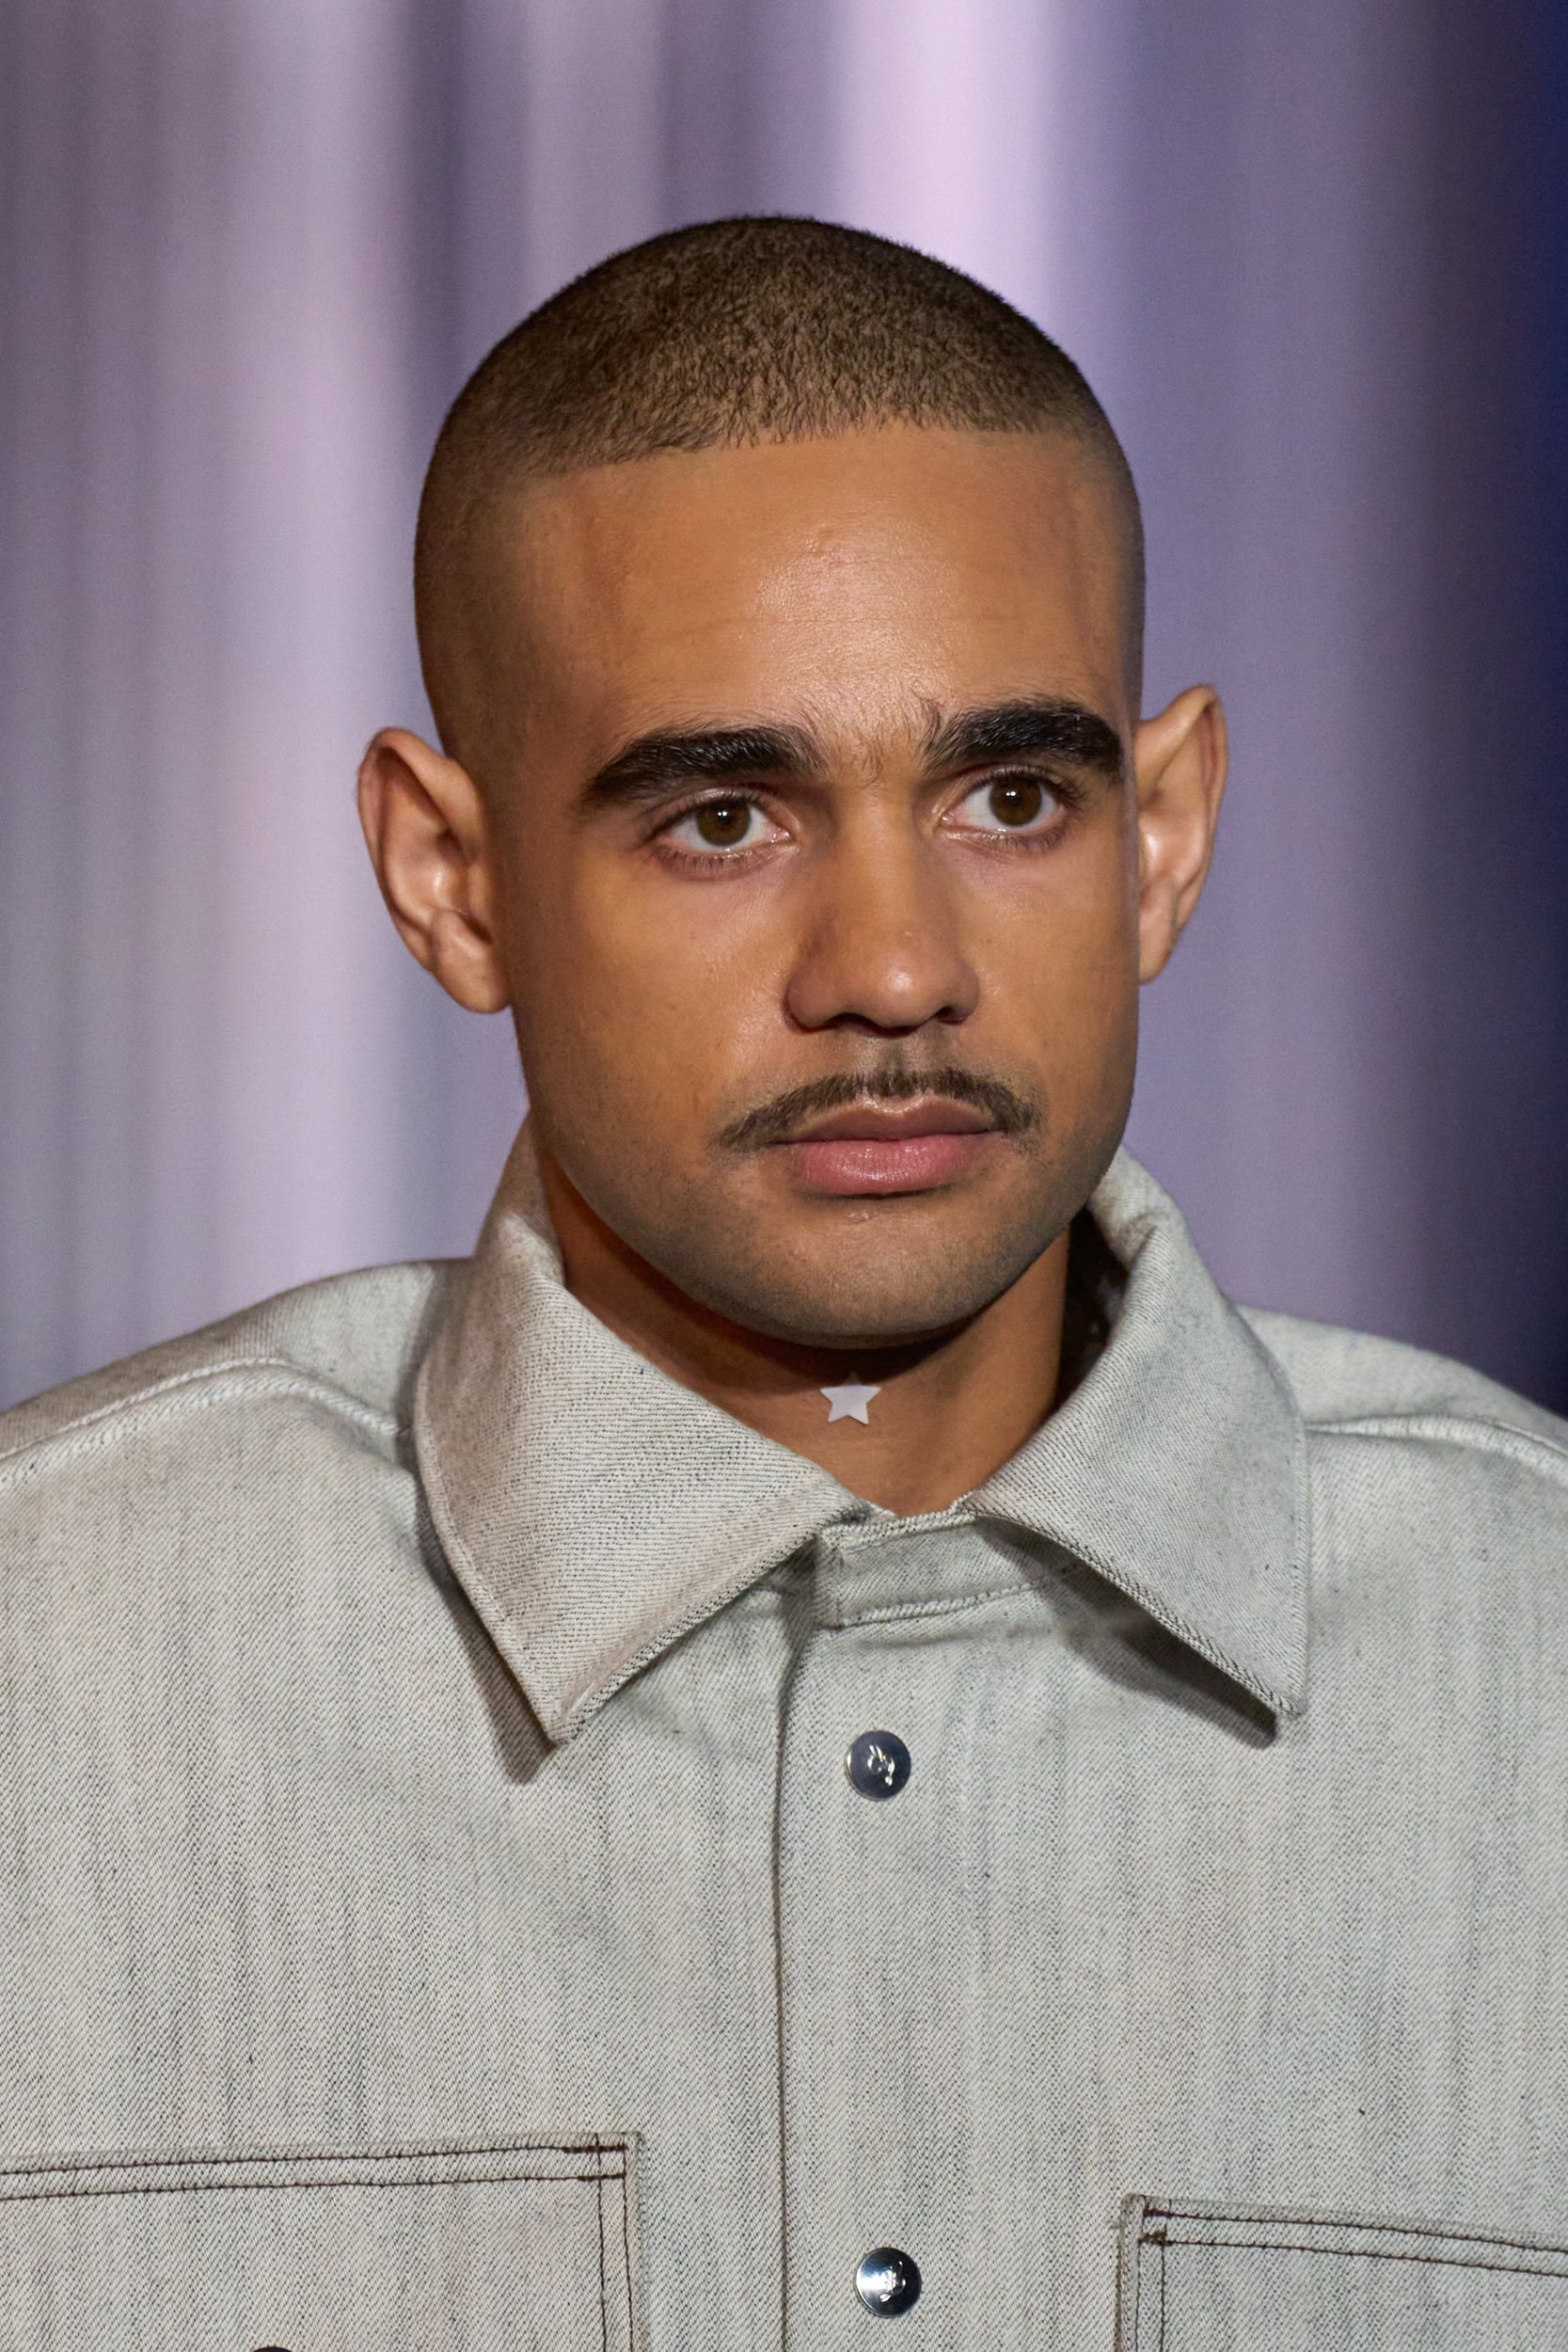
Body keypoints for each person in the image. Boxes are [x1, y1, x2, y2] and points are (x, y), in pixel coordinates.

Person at [2, 215, 1565, 2352]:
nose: (895, 970)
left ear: (1166, 834)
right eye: (726, 819)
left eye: (1010, 796)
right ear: (451, 879)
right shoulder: (51, 1676)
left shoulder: (1528, 1659)